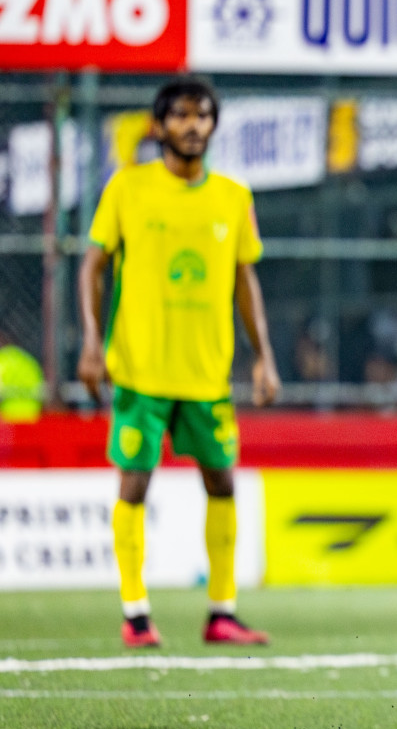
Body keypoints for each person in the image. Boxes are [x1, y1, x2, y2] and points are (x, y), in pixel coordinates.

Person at [78, 78, 282, 648]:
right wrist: (92, 343)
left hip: (207, 375)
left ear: (214, 126)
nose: (194, 125)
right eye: (183, 115)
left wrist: (263, 357)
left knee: (222, 481)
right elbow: (91, 267)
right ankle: (136, 613)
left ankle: (221, 611)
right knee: (134, 484)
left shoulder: (234, 198)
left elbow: (246, 280)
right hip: (140, 372)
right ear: (160, 125)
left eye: (204, 115)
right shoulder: (127, 187)